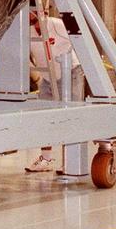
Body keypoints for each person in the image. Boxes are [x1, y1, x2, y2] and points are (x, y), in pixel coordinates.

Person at [25, 9, 84, 173]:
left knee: (70, 117)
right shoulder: (27, 31)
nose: (26, 15)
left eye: (29, 11)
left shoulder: (58, 24)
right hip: (48, 77)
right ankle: (46, 159)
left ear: (39, 11)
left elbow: (80, 38)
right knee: (45, 118)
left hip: (70, 73)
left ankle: (70, 161)